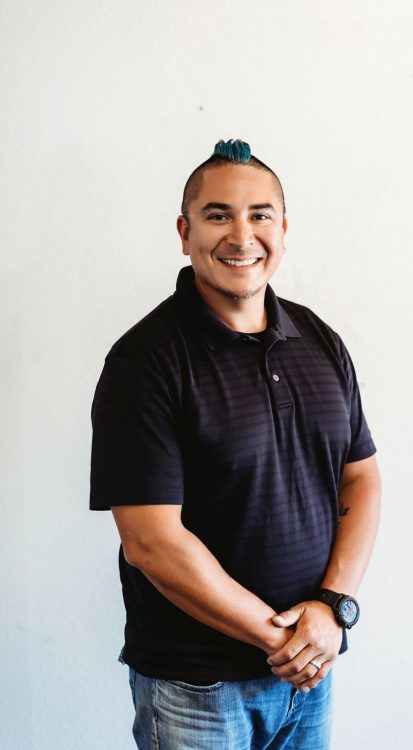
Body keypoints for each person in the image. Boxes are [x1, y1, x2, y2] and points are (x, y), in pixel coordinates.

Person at [89, 138, 381, 749]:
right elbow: (151, 542)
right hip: (199, 689)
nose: (241, 236)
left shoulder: (320, 340)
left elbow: (360, 477)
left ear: (283, 229)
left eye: (259, 215)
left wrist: (334, 606)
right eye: (218, 214)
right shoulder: (145, 361)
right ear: (185, 231)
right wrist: (286, 642)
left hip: (310, 676)